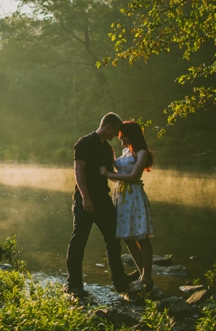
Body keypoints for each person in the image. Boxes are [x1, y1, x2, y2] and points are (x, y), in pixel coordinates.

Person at [65, 112, 131, 297]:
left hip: (103, 200)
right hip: (85, 200)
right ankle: (74, 284)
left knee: (113, 240)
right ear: (108, 126)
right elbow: (79, 171)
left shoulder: (107, 148)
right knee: (79, 242)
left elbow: (111, 174)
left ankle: (120, 282)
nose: (116, 135)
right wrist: (86, 198)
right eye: (115, 131)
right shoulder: (84, 143)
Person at [100, 120, 155, 292]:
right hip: (122, 197)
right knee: (128, 238)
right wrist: (111, 160)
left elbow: (132, 176)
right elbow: (118, 176)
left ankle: (146, 278)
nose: (120, 139)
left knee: (141, 237)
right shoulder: (125, 152)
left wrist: (109, 173)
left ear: (131, 135)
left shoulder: (141, 153)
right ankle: (142, 276)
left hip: (135, 197)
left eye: (122, 136)